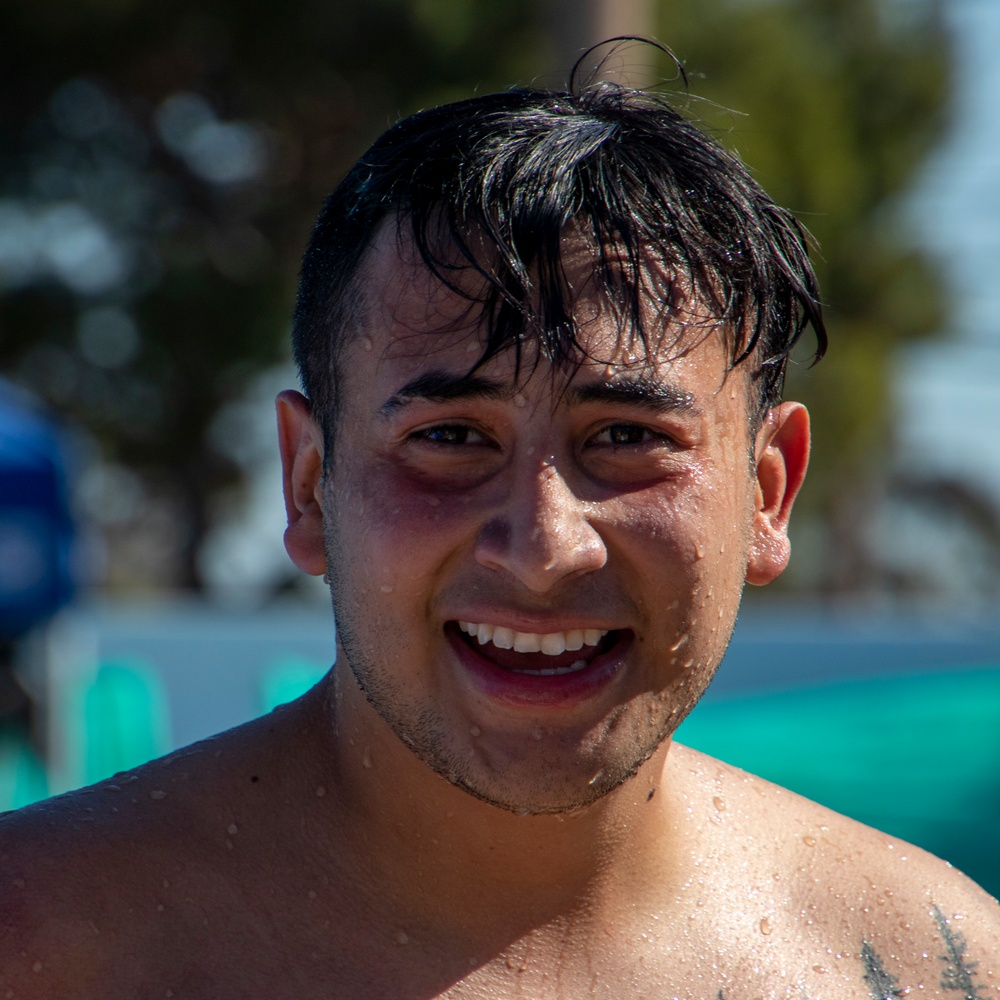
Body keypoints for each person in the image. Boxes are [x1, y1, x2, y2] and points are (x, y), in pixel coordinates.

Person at [2, 73, 998, 1000]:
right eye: (447, 438)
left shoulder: (925, 962)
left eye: (626, 437)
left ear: (768, 493)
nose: (542, 545)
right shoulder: (48, 941)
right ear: (309, 484)